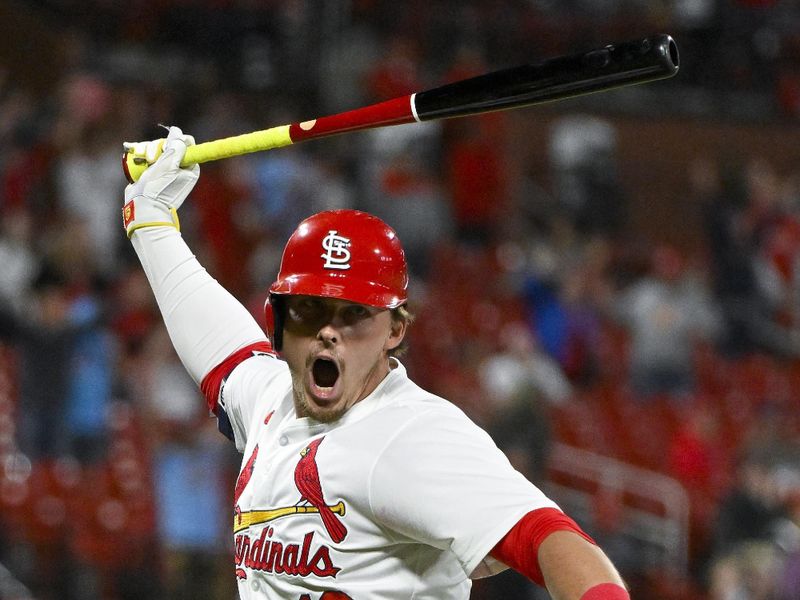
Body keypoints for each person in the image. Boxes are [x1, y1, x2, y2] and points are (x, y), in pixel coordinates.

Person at [121, 126, 629, 599]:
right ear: (277, 321)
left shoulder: (413, 435)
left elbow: (552, 540)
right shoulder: (270, 400)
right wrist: (150, 218)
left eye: (354, 314)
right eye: (309, 308)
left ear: (395, 330)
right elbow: (219, 342)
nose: (328, 330)